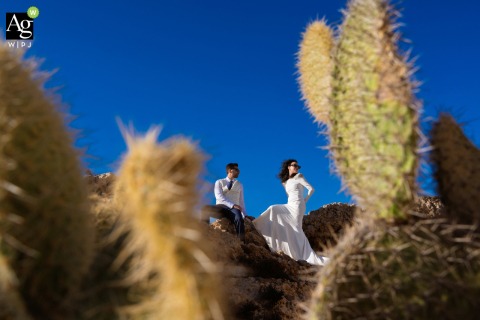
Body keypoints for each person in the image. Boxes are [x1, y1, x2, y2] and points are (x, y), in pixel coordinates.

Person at [253, 159, 328, 266]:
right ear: (288, 167)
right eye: (295, 165)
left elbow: (311, 189)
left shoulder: (299, 176)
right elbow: (289, 195)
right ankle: (258, 225)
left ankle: (302, 255)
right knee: (274, 209)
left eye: (298, 166)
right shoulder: (285, 182)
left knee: (296, 228)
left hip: (298, 205)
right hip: (289, 204)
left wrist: (304, 200)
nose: (297, 167)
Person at [202, 163, 247, 242]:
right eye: (236, 170)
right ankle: (203, 234)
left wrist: (245, 215)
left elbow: (241, 201)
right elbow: (219, 196)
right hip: (221, 207)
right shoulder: (219, 182)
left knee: (239, 218)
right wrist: (232, 205)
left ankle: (242, 242)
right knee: (205, 209)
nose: (239, 171)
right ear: (230, 170)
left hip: (233, 210)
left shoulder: (240, 185)